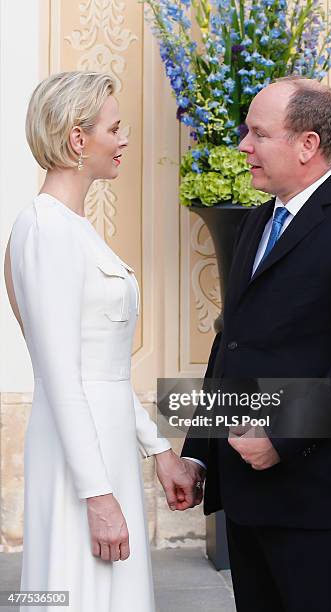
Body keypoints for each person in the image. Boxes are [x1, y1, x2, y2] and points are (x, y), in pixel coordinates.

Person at [181, 76, 331, 612]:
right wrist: (200, 454)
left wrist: (280, 436)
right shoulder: (257, 222)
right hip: (249, 498)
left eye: (258, 133)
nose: (243, 146)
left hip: (323, 501)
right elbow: (230, 346)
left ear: (307, 144)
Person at [3, 70, 197, 612]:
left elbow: (106, 371)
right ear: (76, 137)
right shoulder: (46, 229)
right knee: (76, 593)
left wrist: (157, 448)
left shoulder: (74, 227)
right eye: (115, 127)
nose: (125, 139)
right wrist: (97, 496)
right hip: (79, 463)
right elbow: (62, 375)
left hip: (103, 449)